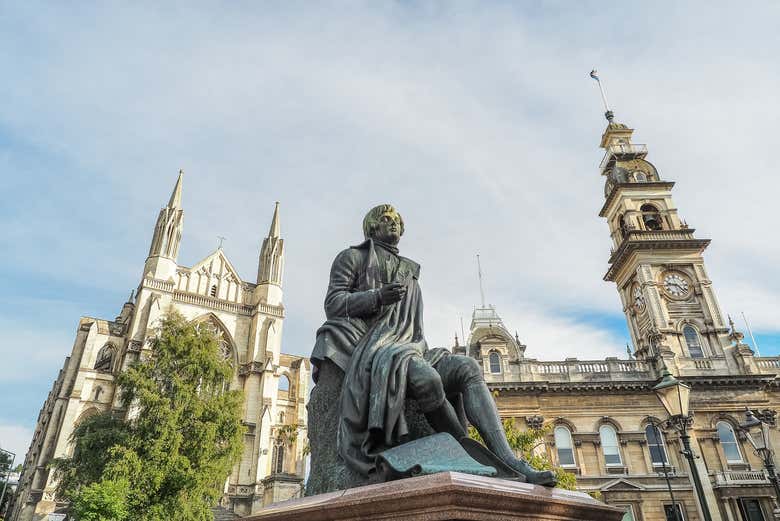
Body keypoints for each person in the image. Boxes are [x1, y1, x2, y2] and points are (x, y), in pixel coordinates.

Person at [311, 204, 555, 486]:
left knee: (467, 367)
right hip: (375, 348)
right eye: (386, 218)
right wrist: (377, 297)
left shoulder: (410, 272)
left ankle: (509, 459)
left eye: (397, 220)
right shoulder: (352, 257)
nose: (393, 223)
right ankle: (466, 451)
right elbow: (333, 304)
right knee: (426, 378)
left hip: (413, 347)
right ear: (372, 226)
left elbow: (412, 328)